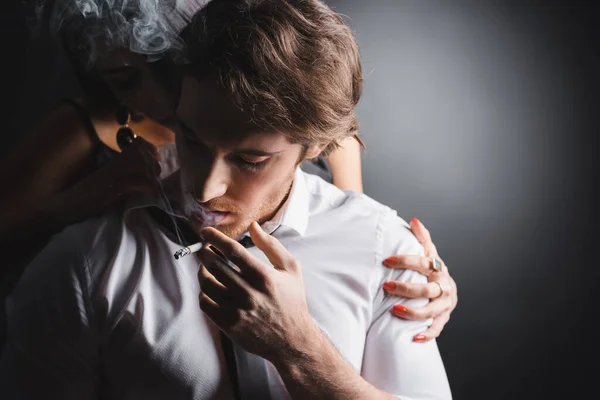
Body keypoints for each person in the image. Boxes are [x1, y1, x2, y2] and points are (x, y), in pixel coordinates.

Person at [0, 1, 453, 398]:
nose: (204, 190)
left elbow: (353, 234)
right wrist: (80, 205)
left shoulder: (296, 114)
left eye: (250, 159)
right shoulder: (87, 251)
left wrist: (398, 260)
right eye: (191, 141)